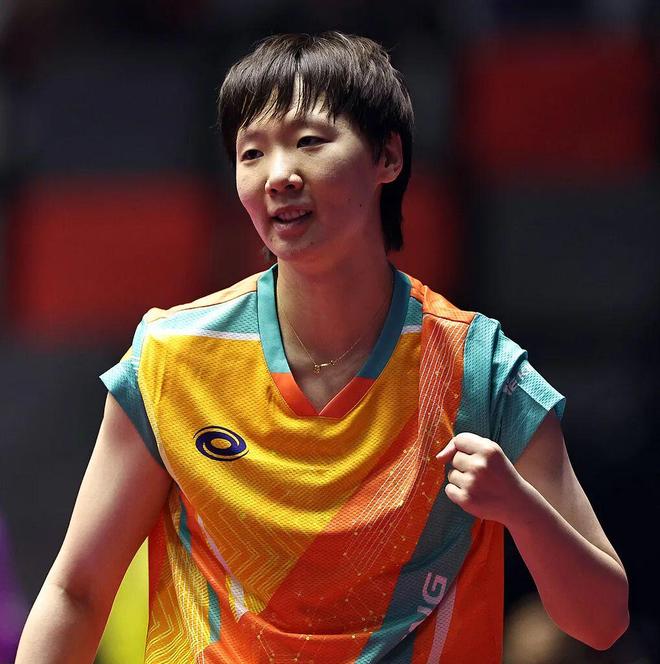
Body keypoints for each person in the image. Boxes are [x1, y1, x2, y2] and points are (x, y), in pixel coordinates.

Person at [16, 31, 628, 663]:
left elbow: (603, 620)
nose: (278, 175)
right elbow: (76, 592)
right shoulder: (173, 358)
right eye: (252, 153)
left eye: (309, 141)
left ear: (387, 156)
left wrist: (521, 509)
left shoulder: (477, 368)